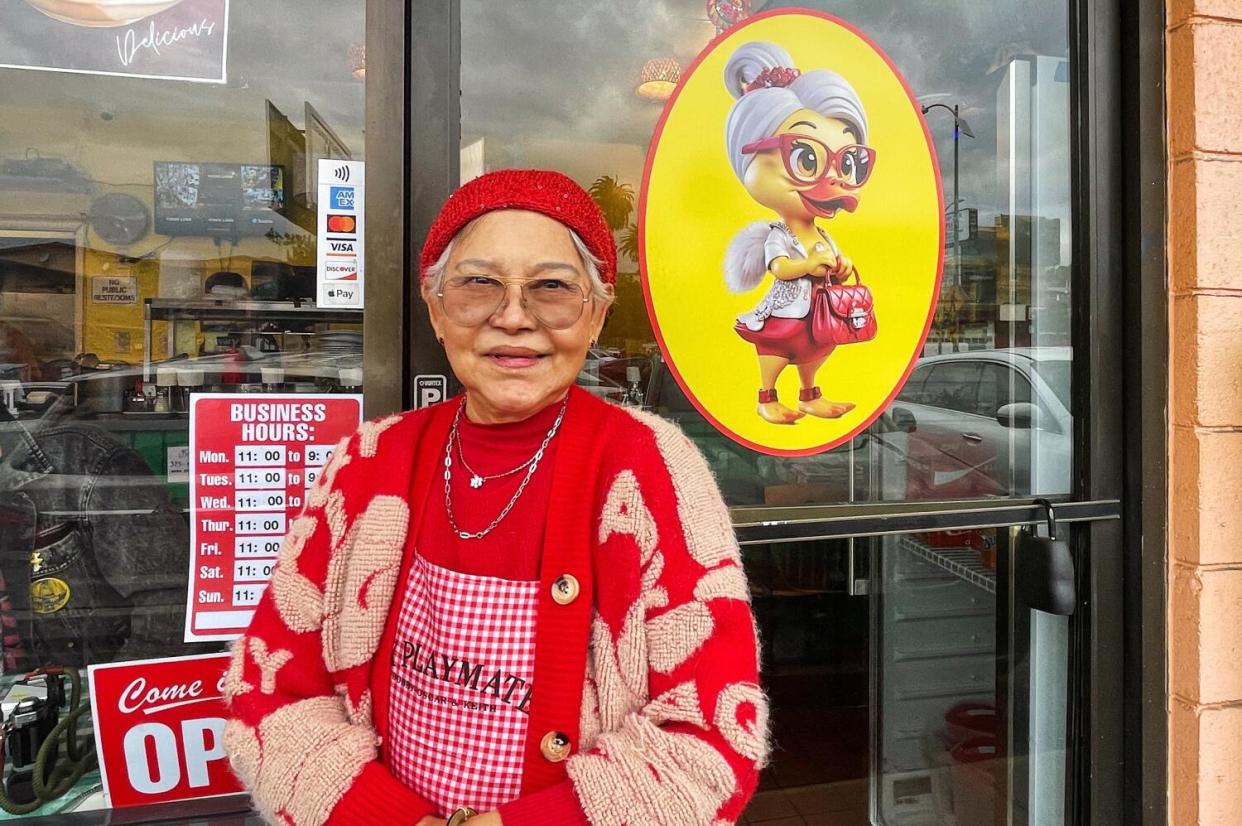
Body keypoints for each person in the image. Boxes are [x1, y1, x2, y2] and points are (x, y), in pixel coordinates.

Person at [223, 169, 770, 825]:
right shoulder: (368, 462)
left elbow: (709, 737)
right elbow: (272, 688)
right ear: (436, 309)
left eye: (553, 289)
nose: (514, 317)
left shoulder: (649, 466)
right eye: (479, 285)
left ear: (595, 316)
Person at [722, 41, 875, 425]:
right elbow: (779, 269)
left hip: (821, 311)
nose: (835, 179)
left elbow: (832, 265)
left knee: (819, 347)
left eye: (849, 162)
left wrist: (841, 266)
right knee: (779, 348)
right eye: (808, 158)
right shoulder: (778, 233)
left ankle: (810, 395)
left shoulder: (820, 231)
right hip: (788, 311)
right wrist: (807, 262)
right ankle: (766, 396)